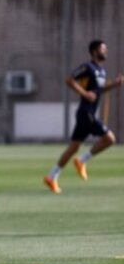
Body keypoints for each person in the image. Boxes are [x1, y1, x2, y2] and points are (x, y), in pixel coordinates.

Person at [44, 39, 122, 194]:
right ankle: (82, 160)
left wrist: (114, 85)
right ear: (94, 51)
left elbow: (99, 90)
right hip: (86, 113)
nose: (105, 51)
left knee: (74, 147)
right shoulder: (88, 67)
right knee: (110, 138)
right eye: (102, 49)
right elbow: (69, 80)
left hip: (87, 114)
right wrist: (85, 93)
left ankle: (51, 177)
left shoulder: (101, 70)